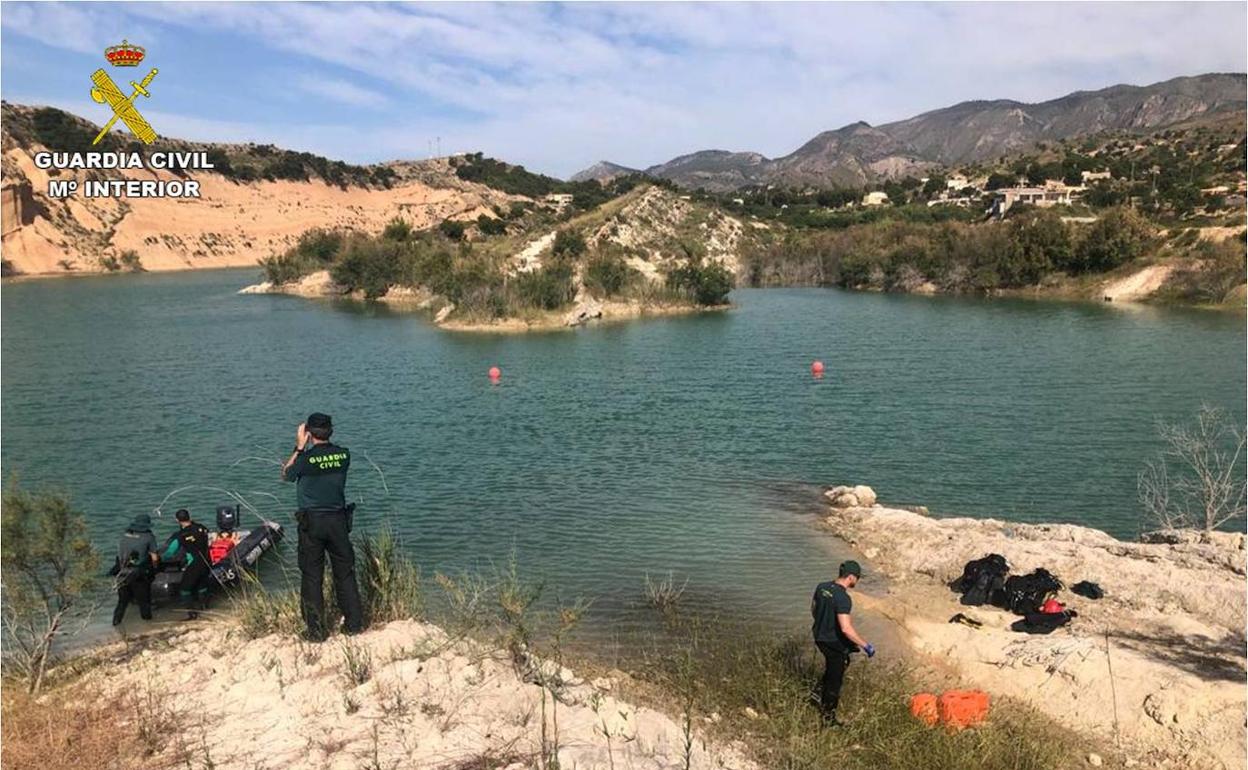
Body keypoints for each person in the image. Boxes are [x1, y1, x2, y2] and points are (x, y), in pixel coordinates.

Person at [282, 412, 362, 640]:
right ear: (331, 431)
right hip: (338, 520)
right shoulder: (344, 455)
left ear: (308, 433)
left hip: (313, 523)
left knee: (312, 576)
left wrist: (299, 447)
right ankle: (354, 625)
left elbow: (286, 474)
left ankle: (316, 631)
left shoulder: (305, 459)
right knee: (345, 573)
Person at [811, 560, 875, 726]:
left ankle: (816, 693)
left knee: (841, 661)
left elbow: (813, 608)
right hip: (832, 642)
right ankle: (828, 719)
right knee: (835, 680)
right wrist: (865, 645)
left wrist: (823, 624)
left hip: (819, 636)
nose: (857, 581)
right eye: (857, 578)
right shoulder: (843, 598)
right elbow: (846, 629)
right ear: (851, 577)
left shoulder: (821, 587)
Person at [108, 513, 159, 625]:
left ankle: (116, 624)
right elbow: (154, 557)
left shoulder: (125, 535)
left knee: (122, 602)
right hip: (138, 575)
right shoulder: (149, 537)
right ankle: (148, 626)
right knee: (144, 602)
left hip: (122, 573)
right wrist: (155, 568)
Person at [162, 508, 213, 619]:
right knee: (201, 585)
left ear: (177, 520)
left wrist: (159, 557)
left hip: (195, 563)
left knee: (184, 589)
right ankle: (205, 608)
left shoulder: (180, 535)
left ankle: (192, 614)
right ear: (189, 516)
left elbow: (170, 553)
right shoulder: (202, 528)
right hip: (207, 561)